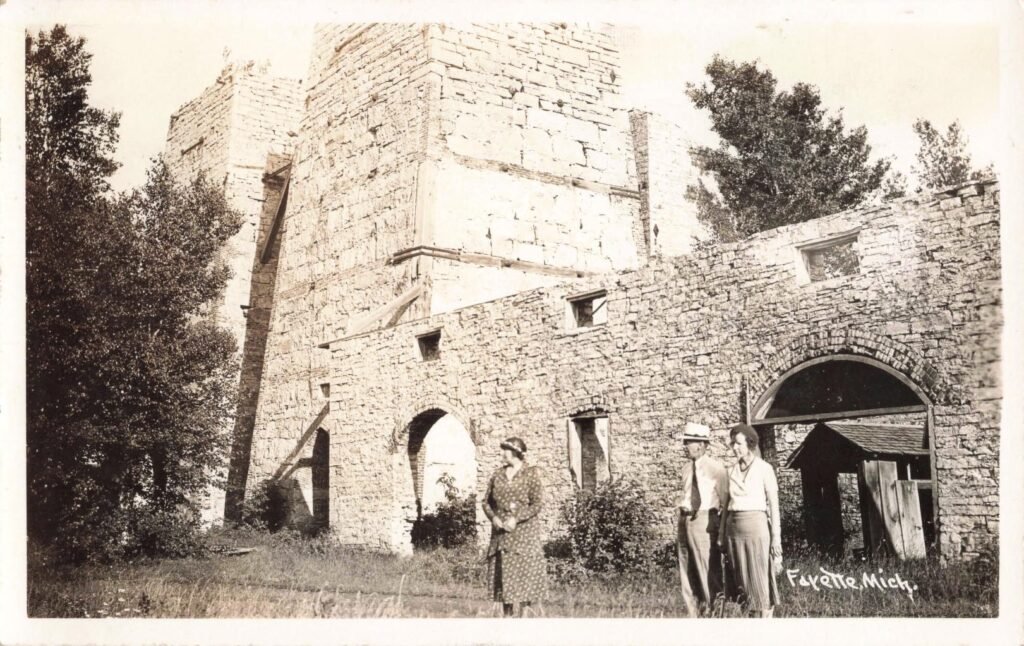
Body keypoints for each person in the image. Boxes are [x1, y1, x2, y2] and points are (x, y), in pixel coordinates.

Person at [717, 423, 782, 617]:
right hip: (733, 533)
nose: (734, 448)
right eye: (732, 444)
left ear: (750, 443)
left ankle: (765, 622)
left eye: (738, 443)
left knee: (760, 580)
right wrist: (721, 534)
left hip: (757, 531)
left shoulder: (764, 469)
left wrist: (776, 538)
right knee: (741, 582)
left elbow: (774, 506)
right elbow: (726, 507)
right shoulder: (729, 472)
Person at [482, 437, 547, 617]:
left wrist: (516, 518)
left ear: (516, 452)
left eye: (505, 450)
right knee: (504, 581)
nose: (502, 453)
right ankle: (507, 619)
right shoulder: (497, 475)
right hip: (501, 536)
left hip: (524, 536)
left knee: (525, 579)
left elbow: (537, 504)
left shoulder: (530, 474)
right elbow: (485, 502)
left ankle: (525, 619)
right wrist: (493, 517)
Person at [675, 422, 727, 617]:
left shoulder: (716, 469)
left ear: (702, 444)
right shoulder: (686, 468)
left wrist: (720, 528)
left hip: (705, 520)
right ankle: (695, 614)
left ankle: (715, 615)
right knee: (687, 570)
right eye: (686, 441)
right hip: (685, 519)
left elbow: (724, 500)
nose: (686, 446)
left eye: (689, 442)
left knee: (707, 569)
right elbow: (687, 494)